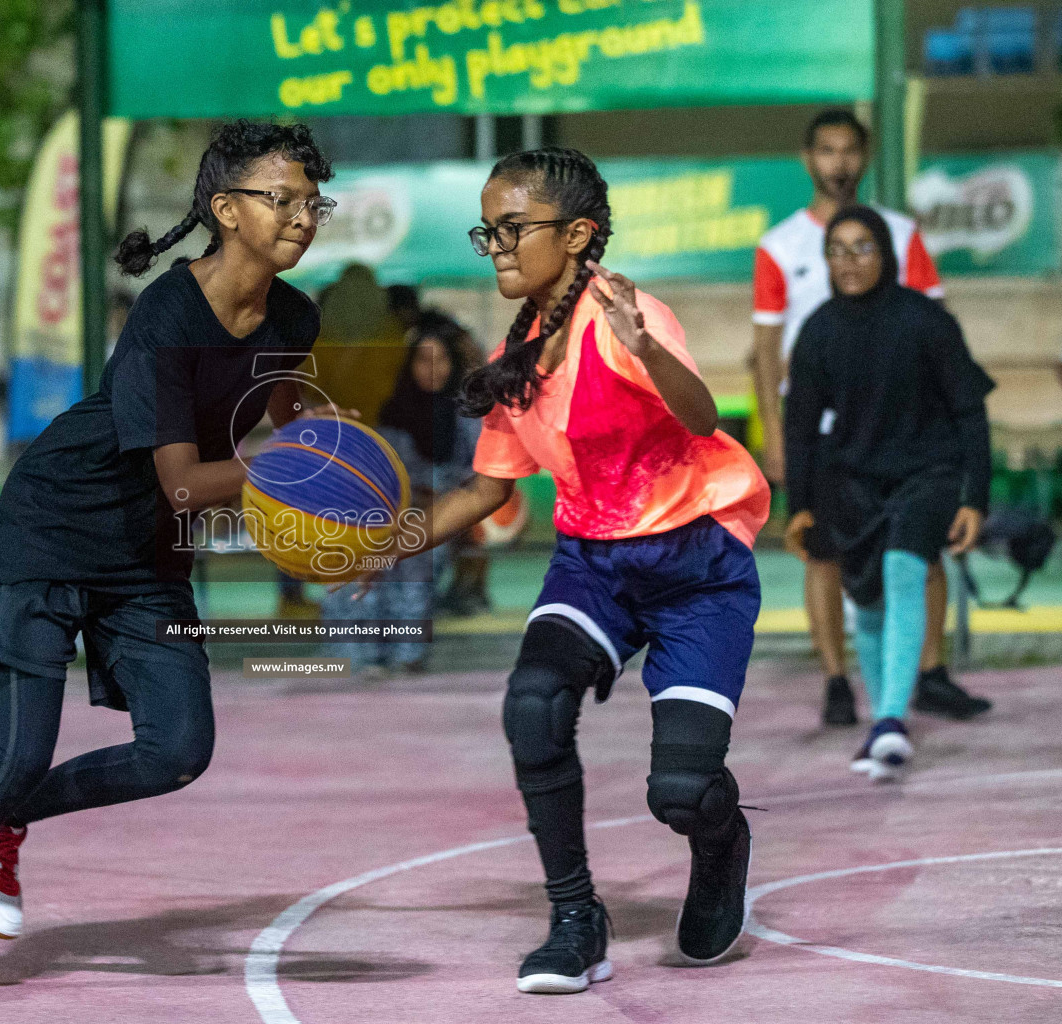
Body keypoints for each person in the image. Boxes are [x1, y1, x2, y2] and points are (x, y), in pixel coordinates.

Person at [0, 120, 336, 1003]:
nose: (304, 217)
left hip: (145, 553)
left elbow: (268, 417)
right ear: (226, 210)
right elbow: (191, 481)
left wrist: (336, 461)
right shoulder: (167, 311)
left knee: (177, 750)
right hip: (55, 523)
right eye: (284, 200)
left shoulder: (297, 314)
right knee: (17, 752)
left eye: (314, 201)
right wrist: (298, 467)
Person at [356, 148, 771, 993]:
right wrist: (390, 542)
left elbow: (700, 420)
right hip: (594, 564)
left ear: (578, 234)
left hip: (698, 563)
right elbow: (484, 488)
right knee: (534, 704)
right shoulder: (522, 354)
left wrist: (648, 349)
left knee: (682, 793)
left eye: (513, 229)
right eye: (490, 232)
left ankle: (721, 842)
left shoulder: (627, 316)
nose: (498, 247)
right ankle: (577, 918)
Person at [751, 108, 988, 726]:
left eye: (849, 151)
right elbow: (766, 353)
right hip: (827, 435)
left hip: (903, 432)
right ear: (809, 160)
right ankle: (836, 679)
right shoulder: (778, 246)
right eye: (826, 151)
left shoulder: (903, 235)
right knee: (826, 557)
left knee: (919, 553)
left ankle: (928, 672)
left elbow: (936, 334)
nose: (839, 163)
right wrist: (776, 440)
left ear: (865, 157)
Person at [784, 206, 993, 783]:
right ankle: (885, 725)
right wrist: (798, 504)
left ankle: (890, 720)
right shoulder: (819, 329)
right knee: (868, 601)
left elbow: (970, 411)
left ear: (886, 253)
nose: (850, 262)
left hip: (928, 471)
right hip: (850, 480)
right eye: (838, 250)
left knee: (904, 569)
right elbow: (799, 422)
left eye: (863, 248)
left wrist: (977, 496)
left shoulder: (925, 320)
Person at [321, 310, 481, 675]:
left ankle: (406, 655)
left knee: (413, 565)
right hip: (389, 513)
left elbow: (477, 476)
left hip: (440, 516)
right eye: (424, 360)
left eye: (442, 359)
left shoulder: (467, 414)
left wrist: (437, 496)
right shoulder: (395, 411)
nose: (433, 369)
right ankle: (362, 656)